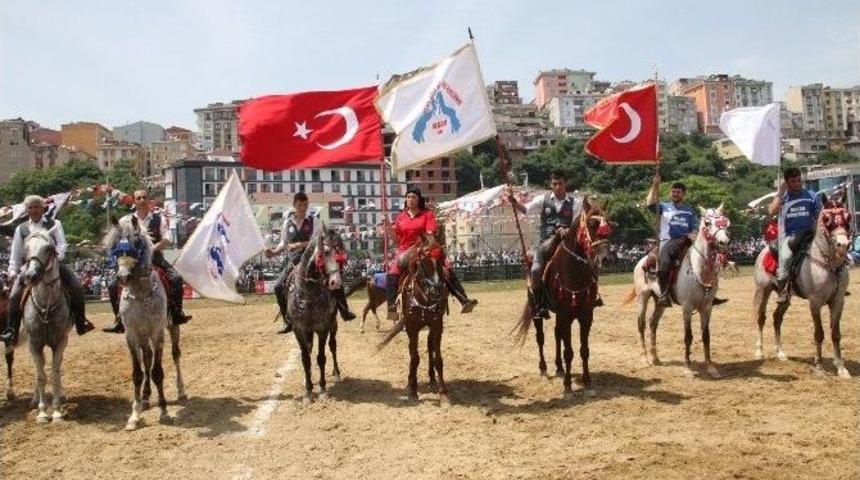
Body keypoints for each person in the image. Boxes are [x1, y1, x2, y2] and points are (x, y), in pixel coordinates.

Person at [1, 195, 95, 345]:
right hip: (30, 268)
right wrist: (13, 270)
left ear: (43, 208)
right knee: (14, 295)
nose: (33, 210)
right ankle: (11, 330)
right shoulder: (22, 229)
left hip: (53, 265)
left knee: (76, 285)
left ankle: (80, 322)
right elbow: (16, 252)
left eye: (36, 206)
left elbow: (62, 244)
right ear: (26, 210)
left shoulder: (55, 223)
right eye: (30, 207)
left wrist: (57, 257)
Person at [508, 170, 601, 320]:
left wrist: (567, 230)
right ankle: (539, 305)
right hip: (546, 241)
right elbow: (526, 209)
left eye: (560, 184)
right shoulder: (542, 200)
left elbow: (577, 224)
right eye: (555, 184)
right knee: (536, 269)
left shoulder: (575, 203)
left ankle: (595, 295)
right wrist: (515, 202)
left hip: (567, 241)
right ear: (551, 184)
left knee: (591, 261)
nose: (557, 187)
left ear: (566, 184)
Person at [265, 192, 356, 334]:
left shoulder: (314, 221)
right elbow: (283, 243)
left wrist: (300, 244)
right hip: (294, 262)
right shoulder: (287, 223)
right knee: (277, 287)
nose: (303, 208)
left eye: (305, 205)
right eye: (300, 205)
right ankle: (287, 321)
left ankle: (344, 309)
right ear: (294, 205)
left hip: (314, 261)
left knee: (333, 277)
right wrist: (274, 252)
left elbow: (318, 241)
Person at [103, 190, 191, 333]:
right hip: (131, 260)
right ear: (134, 201)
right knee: (113, 284)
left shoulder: (158, 219)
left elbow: (168, 239)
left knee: (176, 278)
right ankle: (118, 319)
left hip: (155, 257)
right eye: (139, 198)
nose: (142, 200)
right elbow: (114, 238)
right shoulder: (125, 220)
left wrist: (151, 249)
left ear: (149, 200)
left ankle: (176, 313)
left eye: (145, 197)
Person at [384, 187, 478, 321]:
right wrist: (388, 227)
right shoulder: (401, 217)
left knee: (446, 269)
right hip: (404, 250)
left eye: (413, 197)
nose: (410, 199)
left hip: (424, 248)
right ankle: (392, 307)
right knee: (392, 273)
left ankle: (463, 299)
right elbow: (397, 240)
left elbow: (431, 237)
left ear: (419, 199)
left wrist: (424, 248)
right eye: (408, 197)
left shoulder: (428, 215)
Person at [767, 167, 821, 303]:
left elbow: (819, 217)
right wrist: (780, 193)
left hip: (810, 235)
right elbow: (771, 211)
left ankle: (837, 285)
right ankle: (783, 290)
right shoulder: (783, 197)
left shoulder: (812, 195)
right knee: (785, 257)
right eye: (793, 181)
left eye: (799, 180)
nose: (797, 183)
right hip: (789, 237)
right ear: (787, 182)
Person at [646, 173, 699, 308]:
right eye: (673, 191)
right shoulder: (663, 206)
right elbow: (649, 203)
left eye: (678, 192)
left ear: (683, 194)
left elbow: (695, 228)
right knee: (664, 263)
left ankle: (708, 292)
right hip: (667, 242)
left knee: (705, 259)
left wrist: (694, 234)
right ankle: (663, 295)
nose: (675, 194)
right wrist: (655, 185)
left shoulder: (689, 211)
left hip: (686, 242)